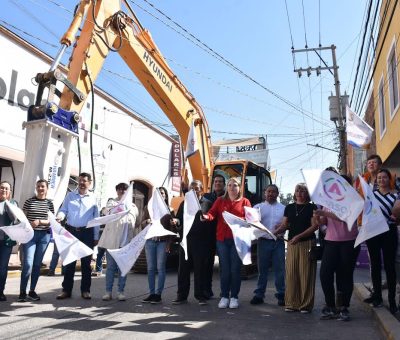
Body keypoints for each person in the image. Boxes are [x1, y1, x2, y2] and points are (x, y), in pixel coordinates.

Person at [315, 175, 360, 321]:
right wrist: (318, 216)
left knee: (345, 275)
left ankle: (344, 307)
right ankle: (330, 306)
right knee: (325, 274)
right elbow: (324, 221)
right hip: (331, 242)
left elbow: (344, 216)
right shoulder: (328, 200)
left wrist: (324, 213)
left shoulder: (353, 199)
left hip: (349, 242)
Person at [202, 177, 251, 309]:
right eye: (229, 185)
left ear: (239, 188)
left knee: (235, 269)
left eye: (234, 185)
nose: (231, 187)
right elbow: (212, 214)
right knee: (225, 270)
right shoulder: (220, 200)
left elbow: (251, 219)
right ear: (227, 187)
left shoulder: (245, 201)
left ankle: (234, 297)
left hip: (238, 240)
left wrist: (248, 222)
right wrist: (206, 217)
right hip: (222, 240)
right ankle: (224, 296)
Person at [274, 183, 318, 313]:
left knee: (306, 274)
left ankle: (305, 305)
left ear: (307, 193)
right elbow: (284, 225)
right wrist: (274, 232)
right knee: (292, 273)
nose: (300, 193)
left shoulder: (312, 207)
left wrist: (299, 236)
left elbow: (314, 226)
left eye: (303, 190)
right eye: (298, 190)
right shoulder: (289, 207)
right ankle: (292, 303)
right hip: (292, 244)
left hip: (307, 243)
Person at [55, 172, 99, 300]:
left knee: (86, 264)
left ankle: (85, 290)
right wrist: (60, 216)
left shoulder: (94, 198)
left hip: (87, 233)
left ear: (89, 183)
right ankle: (66, 290)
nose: (81, 183)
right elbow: (64, 210)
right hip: (71, 231)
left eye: (84, 181)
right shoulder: (70, 196)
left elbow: (96, 218)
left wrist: (95, 236)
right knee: (69, 262)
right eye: (80, 180)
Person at [172, 180, 215, 305]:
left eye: (196, 188)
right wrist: (176, 221)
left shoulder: (207, 204)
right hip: (185, 241)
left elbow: (212, 223)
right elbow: (179, 219)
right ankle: (181, 296)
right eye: (192, 189)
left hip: (201, 243)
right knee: (183, 270)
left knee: (200, 270)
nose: (194, 191)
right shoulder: (184, 203)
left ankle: (200, 296)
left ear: (201, 189)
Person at [363, 169, 398, 314]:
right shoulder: (371, 196)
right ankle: (377, 296)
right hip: (373, 232)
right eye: (379, 178)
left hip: (389, 232)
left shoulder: (396, 195)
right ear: (376, 180)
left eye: (384, 177)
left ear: (389, 179)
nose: (381, 180)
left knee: (390, 266)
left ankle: (392, 300)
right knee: (375, 265)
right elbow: (366, 212)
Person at [99, 183, 139, 301]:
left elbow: (136, 223)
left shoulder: (133, 207)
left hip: (126, 242)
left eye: (124, 190)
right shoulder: (112, 203)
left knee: (123, 268)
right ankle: (108, 292)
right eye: (120, 189)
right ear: (116, 191)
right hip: (112, 241)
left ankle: (121, 291)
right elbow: (107, 213)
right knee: (110, 267)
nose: (122, 192)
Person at [18, 179, 54, 302]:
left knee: (37, 265)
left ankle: (32, 290)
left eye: (43, 186)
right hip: (30, 235)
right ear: (36, 187)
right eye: (38, 186)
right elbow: (22, 218)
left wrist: (40, 221)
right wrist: (28, 224)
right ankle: (22, 291)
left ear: (46, 188)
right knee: (28, 263)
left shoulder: (49, 204)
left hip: (44, 236)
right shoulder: (29, 201)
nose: (40, 188)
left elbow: (51, 221)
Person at [250, 184, 285, 306]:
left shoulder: (283, 208)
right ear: (265, 193)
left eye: (273, 192)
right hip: (263, 242)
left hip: (278, 242)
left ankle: (282, 295)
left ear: (277, 194)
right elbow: (252, 223)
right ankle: (259, 295)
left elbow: (289, 224)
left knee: (280, 270)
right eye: (268, 191)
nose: (271, 194)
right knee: (262, 270)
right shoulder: (257, 208)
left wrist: (283, 227)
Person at [142, 187, 178, 304]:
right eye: (157, 193)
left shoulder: (169, 210)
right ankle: (151, 293)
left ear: (166, 196)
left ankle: (158, 294)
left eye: (162, 193)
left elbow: (172, 229)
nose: (160, 195)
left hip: (162, 242)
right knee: (151, 268)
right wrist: (147, 221)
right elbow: (141, 223)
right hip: (150, 241)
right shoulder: (149, 208)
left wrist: (169, 244)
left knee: (160, 268)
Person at [202, 175, 225, 299]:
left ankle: (224, 292)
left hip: (223, 234)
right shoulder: (206, 197)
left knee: (224, 265)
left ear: (224, 184)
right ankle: (207, 290)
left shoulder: (227, 197)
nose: (218, 183)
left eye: (220, 182)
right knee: (208, 264)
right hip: (209, 235)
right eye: (216, 181)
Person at [0, 181, 18, 301]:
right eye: (2, 188)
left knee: (2, 267)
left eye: (6, 189)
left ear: (10, 191)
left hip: (6, 242)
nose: (4, 190)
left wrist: (6, 203)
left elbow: (14, 218)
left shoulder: (13, 203)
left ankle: (0, 291)